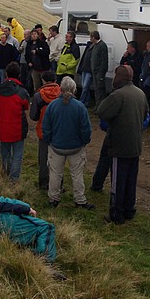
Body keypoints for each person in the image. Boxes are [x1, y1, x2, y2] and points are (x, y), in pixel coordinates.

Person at [97, 65, 150, 224]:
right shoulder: (140, 93)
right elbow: (146, 113)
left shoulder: (118, 95)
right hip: (135, 144)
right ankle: (129, 210)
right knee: (130, 181)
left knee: (118, 183)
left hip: (120, 145)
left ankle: (116, 215)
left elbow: (102, 111)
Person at [43, 77, 94, 209]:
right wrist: (84, 142)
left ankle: (53, 198)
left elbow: (46, 127)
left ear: (60, 88)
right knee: (77, 174)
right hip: (76, 148)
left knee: (55, 173)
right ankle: (80, 200)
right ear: (74, 89)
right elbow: (86, 129)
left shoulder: (52, 106)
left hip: (56, 147)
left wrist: (49, 141)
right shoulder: (80, 107)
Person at [0, 62, 30, 182]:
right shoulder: (21, 91)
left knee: (5, 152)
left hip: (3, 125)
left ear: (6, 73)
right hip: (17, 127)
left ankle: (6, 173)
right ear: (19, 74)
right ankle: (14, 179)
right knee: (17, 154)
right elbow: (26, 106)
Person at [29, 71, 61, 190]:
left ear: (43, 80)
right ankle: (58, 184)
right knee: (58, 160)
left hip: (44, 130)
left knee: (43, 159)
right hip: (59, 130)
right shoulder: (62, 94)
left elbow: (33, 116)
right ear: (55, 80)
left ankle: (44, 183)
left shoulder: (38, 95)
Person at [89, 30, 109, 111]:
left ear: (93, 37)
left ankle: (101, 107)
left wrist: (101, 72)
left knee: (100, 89)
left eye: (91, 37)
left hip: (99, 72)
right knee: (96, 89)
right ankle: (97, 106)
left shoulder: (102, 45)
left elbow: (104, 60)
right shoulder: (95, 45)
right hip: (94, 71)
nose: (90, 39)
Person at [77, 38, 94, 106]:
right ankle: (87, 101)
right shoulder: (88, 46)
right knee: (85, 87)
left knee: (85, 87)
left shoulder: (95, 48)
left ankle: (81, 101)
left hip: (89, 70)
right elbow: (84, 58)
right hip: (85, 69)